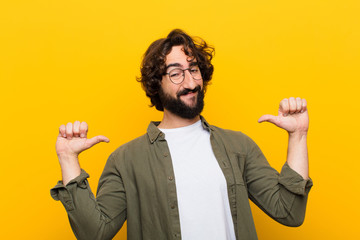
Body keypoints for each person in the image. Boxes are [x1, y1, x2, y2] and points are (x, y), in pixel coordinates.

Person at [51, 29, 313, 240]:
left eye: (194, 69)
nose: (190, 82)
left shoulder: (238, 146)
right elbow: (94, 233)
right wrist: (68, 159)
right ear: (156, 84)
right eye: (176, 73)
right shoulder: (125, 160)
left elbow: (289, 212)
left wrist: (298, 136)